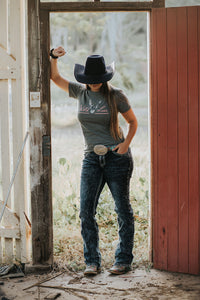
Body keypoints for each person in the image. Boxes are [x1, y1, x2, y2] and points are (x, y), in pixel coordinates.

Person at [50, 46, 138, 276]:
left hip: (116, 158)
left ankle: (123, 260)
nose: (95, 82)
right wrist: (52, 57)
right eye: (91, 79)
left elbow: (133, 122)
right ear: (85, 78)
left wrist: (125, 145)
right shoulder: (80, 92)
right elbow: (55, 77)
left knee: (123, 209)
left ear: (105, 77)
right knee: (86, 211)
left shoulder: (116, 95)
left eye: (99, 79)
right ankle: (92, 261)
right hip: (91, 158)